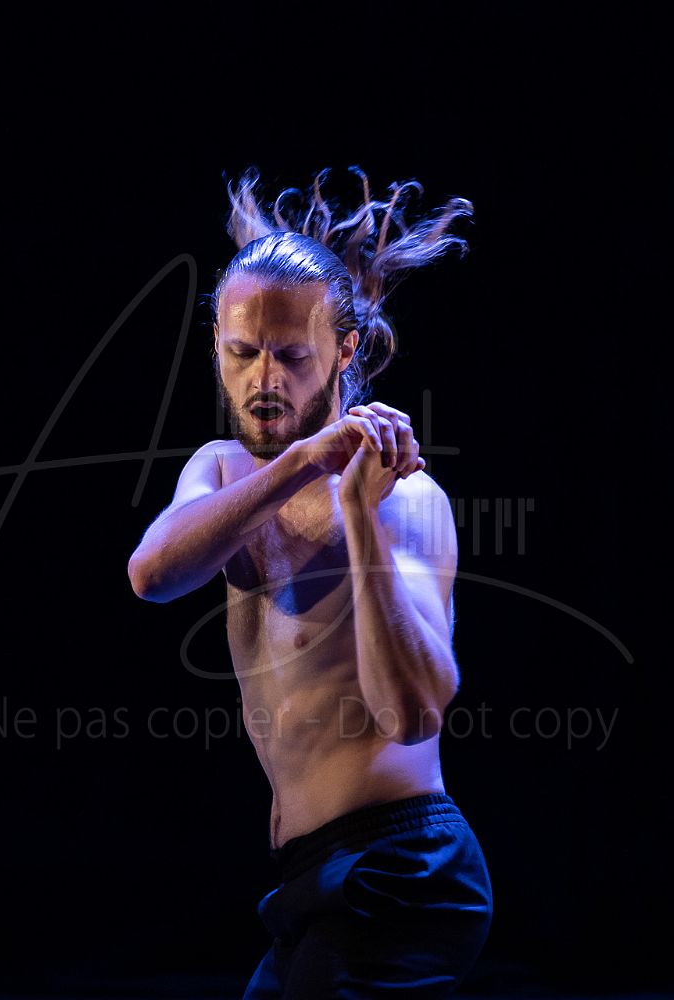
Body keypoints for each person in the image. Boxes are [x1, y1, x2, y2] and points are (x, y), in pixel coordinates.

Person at [127, 166, 491, 997]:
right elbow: (152, 575)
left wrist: (357, 512)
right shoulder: (223, 470)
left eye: (292, 356)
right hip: (310, 875)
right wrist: (298, 463)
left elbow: (412, 711)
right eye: (242, 353)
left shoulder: (405, 496)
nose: (264, 380)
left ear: (344, 350)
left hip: (401, 866)